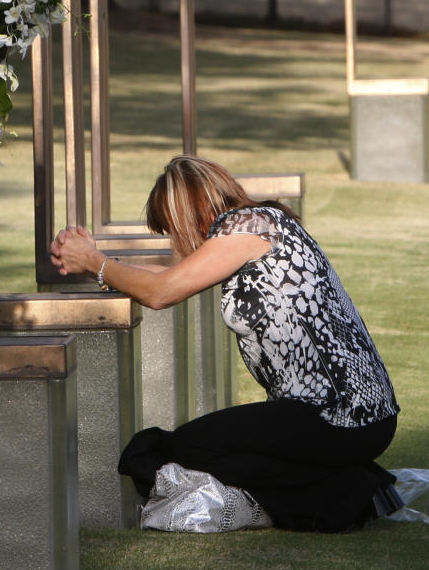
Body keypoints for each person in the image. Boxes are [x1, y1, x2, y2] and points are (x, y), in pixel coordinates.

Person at [49, 155, 402, 532]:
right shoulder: (260, 225)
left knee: (182, 450)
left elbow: (161, 292)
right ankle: (344, 485)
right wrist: (102, 265)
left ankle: (344, 492)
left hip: (336, 416)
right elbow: (169, 277)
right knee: (195, 446)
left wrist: (96, 262)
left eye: (170, 228)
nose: (173, 241)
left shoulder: (248, 227)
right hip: (357, 416)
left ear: (186, 214)